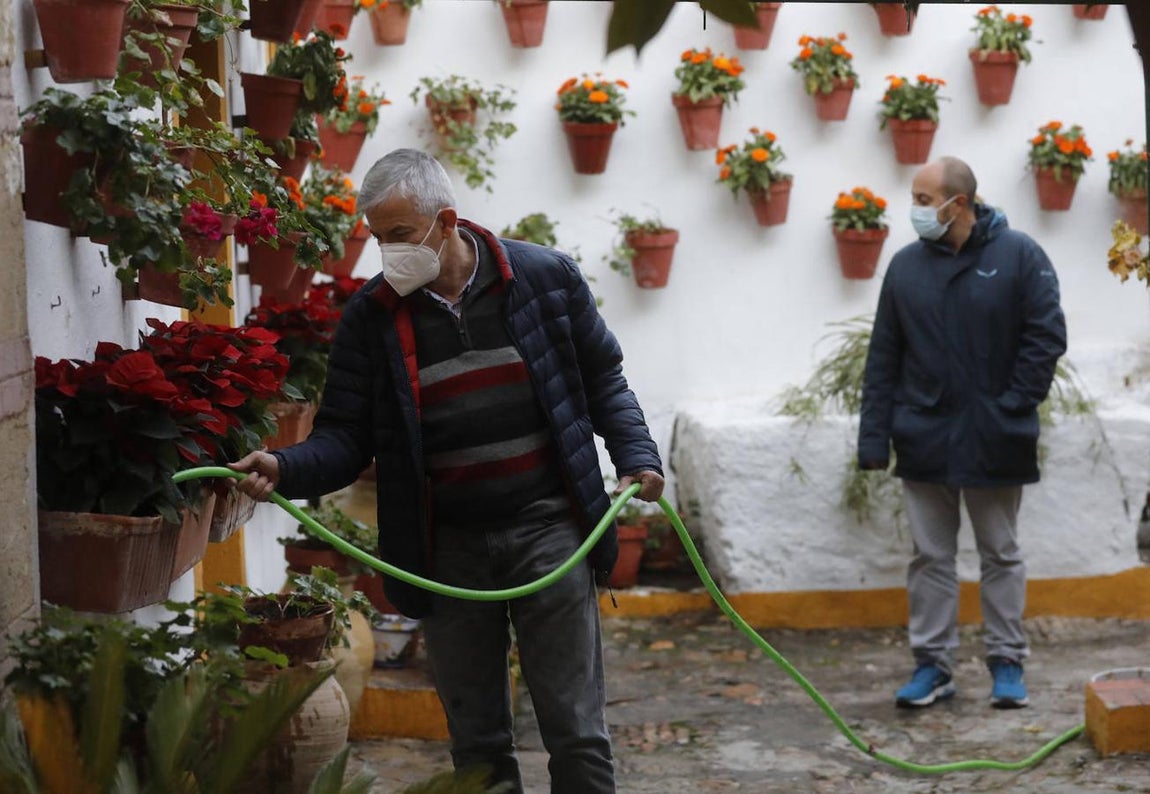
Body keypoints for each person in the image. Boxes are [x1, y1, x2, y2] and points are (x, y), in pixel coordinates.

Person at [229, 148, 663, 793]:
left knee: (575, 730)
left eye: (400, 235)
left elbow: (602, 378)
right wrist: (284, 466)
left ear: (447, 220)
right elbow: (345, 436)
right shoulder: (370, 317)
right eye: (378, 238)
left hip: (550, 530)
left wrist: (637, 457)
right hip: (446, 549)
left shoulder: (544, 278)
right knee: (478, 741)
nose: (388, 253)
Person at [857, 156, 1066, 710]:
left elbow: (1045, 337)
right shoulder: (905, 267)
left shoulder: (1019, 256)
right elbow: (884, 357)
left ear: (960, 203)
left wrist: (1011, 406)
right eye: (916, 200)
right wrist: (874, 438)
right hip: (924, 434)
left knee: (1000, 551)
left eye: (924, 200)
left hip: (996, 436)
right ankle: (933, 666)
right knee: (930, 556)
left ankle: (1007, 662)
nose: (916, 211)